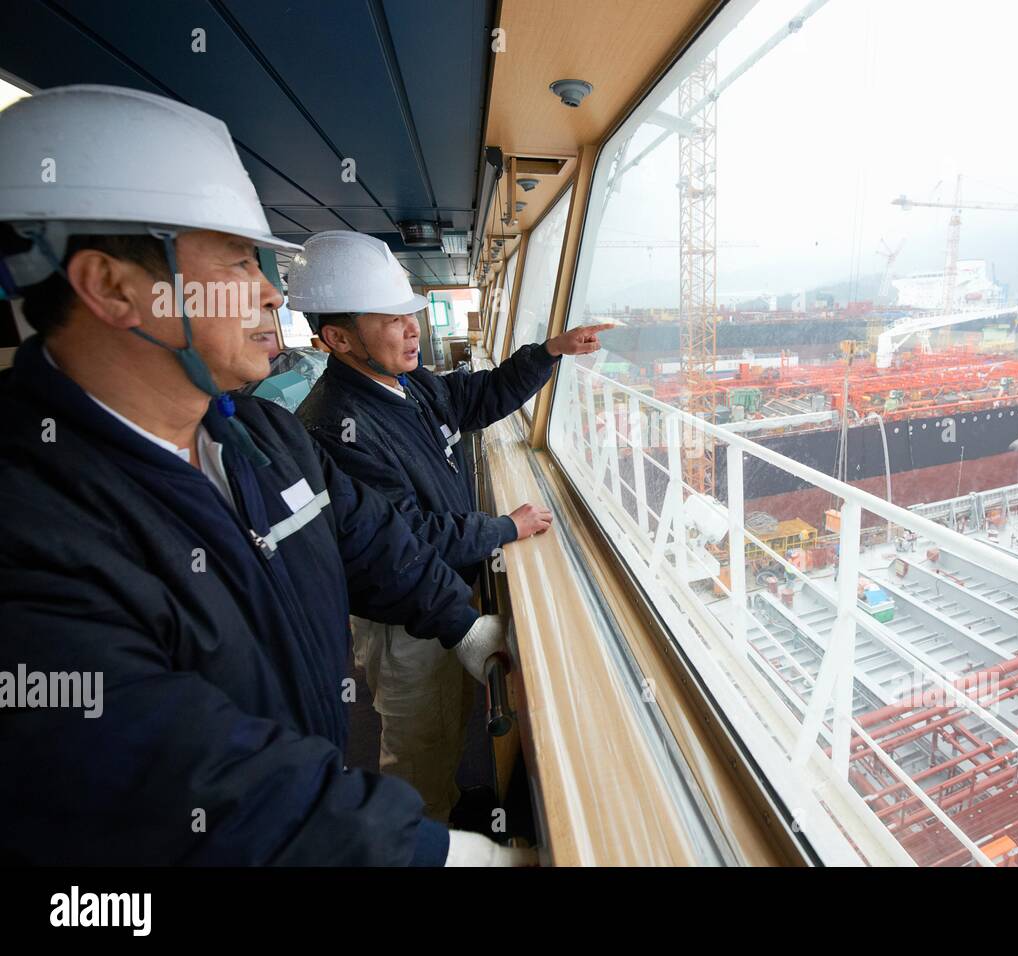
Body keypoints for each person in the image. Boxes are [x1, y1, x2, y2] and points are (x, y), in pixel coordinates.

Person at [0, 84, 528, 866]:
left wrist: (463, 622)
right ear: (114, 287)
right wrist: (450, 858)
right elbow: (185, 777)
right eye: (242, 261)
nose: (273, 295)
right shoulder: (29, 523)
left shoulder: (260, 435)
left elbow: (367, 535)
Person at [291, 230, 612, 818]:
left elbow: (479, 395)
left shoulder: (406, 387)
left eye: (410, 312)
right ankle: (423, 835)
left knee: (446, 724)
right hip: (405, 618)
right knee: (418, 743)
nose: (413, 327)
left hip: (442, 591)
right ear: (337, 339)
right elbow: (402, 537)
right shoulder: (336, 426)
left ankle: (446, 804)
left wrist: (550, 351)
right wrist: (501, 528)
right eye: (391, 318)